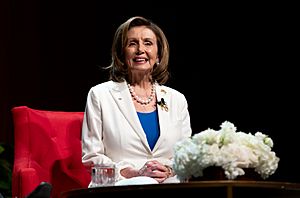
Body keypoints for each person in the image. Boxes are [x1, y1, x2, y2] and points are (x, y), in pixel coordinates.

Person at [81, 16, 192, 185]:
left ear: (159, 54)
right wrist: (134, 174)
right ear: (121, 53)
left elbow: (187, 155)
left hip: (168, 182)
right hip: (117, 185)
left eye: (148, 43)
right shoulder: (100, 95)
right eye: (132, 43)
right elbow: (92, 157)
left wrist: (168, 170)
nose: (140, 49)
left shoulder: (177, 100)